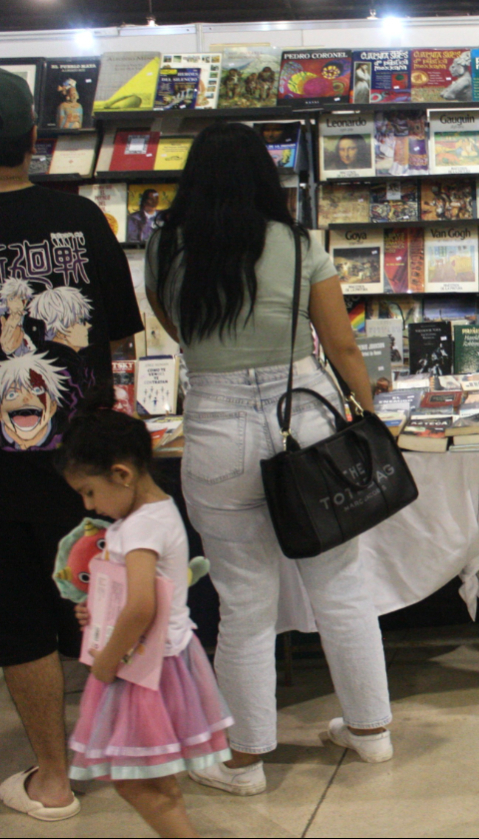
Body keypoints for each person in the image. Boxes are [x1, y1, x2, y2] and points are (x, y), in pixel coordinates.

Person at [145, 122, 393, 797]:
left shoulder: (166, 245)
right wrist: (369, 414)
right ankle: (371, 731)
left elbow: (174, 323)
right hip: (304, 416)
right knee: (341, 584)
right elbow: (341, 345)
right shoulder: (300, 244)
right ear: (265, 176)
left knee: (244, 601)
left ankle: (247, 757)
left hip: (215, 423)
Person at [0, 68, 143, 824]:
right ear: (33, 139)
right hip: (82, 462)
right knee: (100, 600)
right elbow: (121, 332)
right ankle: (131, 757)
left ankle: (53, 779)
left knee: (17, 616)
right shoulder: (83, 218)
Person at [56, 390, 232, 839]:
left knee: (136, 781)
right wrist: (96, 615)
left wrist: (105, 660)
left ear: (122, 474)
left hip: (142, 671)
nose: (89, 507)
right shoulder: (157, 511)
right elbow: (133, 596)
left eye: (90, 492)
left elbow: (139, 606)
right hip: (165, 662)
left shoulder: (139, 528)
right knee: (152, 779)